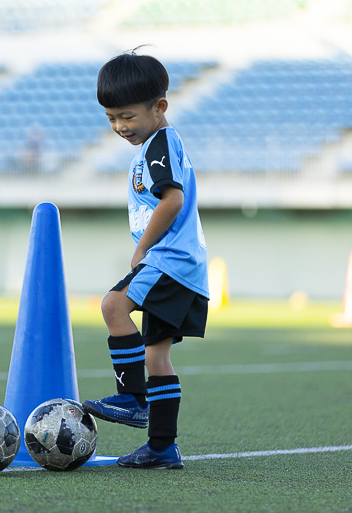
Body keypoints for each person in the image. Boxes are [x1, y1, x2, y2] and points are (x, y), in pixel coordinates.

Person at [82, 50, 209, 470]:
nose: (119, 126)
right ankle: (162, 447)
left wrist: (142, 249)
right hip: (183, 265)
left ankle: (133, 399)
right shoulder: (154, 144)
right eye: (111, 118)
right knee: (156, 356)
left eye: (127, 116)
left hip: (169, 260)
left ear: (159, 108)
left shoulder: (161, 145)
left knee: (113, 305)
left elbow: (173, 199)